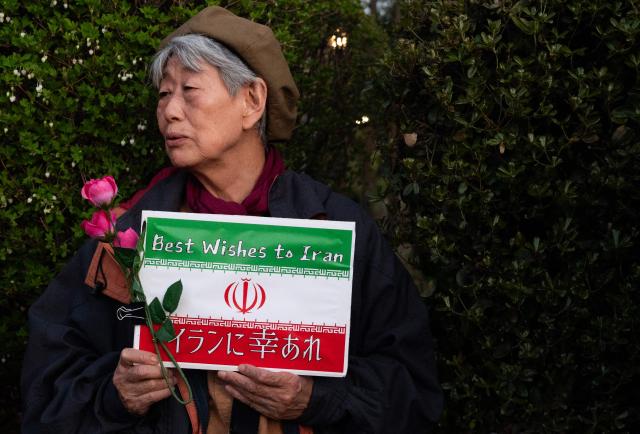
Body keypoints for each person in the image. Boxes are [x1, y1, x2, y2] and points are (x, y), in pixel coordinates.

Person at [21, 6, 443, 434]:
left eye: (189, 89)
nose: (168, 111)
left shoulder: (336, 230)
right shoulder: (128, 237)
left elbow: (411, 391)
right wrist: (115, 395)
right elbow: (48, 381)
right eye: (164, 94)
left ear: (252, 102)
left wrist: (318, 400)